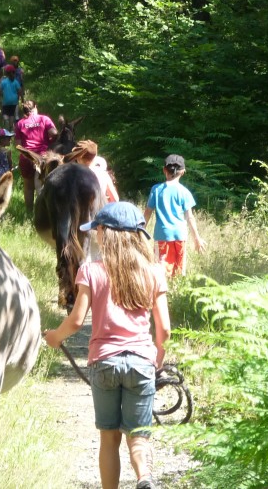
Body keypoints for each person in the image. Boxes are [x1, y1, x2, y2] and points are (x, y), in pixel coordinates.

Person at [43, 202, 171, 489]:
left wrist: (55, 337)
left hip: (104, 363)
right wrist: (158, 359)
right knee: (138, 436)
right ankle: (144, 478)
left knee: (109, 437)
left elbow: (77, 321)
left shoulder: (90, 271)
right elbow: (164, 329)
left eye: (98, 229)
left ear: (107, 233)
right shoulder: (154, 271)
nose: (95, 234)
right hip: (141, 362)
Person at [143, 154, 206, 278]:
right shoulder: (184, 192)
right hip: (180, 235)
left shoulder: (156, 190)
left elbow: (147, 213)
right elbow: (190, 217)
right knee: (179, 272)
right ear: (183, 172)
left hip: (162, 235)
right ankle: (177, 288)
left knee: (160, 270)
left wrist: (140, 232)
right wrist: (196, 238)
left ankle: (163, 289)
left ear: (164, 170)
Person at [14, 99, 57, 213]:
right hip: (42, 157)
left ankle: (29, 212)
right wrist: (50, 142)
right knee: (42, 185)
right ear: (35, 107)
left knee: (28, 186)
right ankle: (42, 212)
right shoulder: (44, 119)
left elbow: (18, 145)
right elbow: (54, 133)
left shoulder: (20, 124)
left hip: (26, 157)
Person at [0, 64, 23, 131]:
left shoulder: (3, 82)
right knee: (11, 114)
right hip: (14, 101)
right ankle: (11, 127)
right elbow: (20, 91)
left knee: (5, 113)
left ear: (6, 73)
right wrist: (22, 100)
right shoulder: (16, 82)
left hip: (6, 101)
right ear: (14, 72)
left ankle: (6, 121)